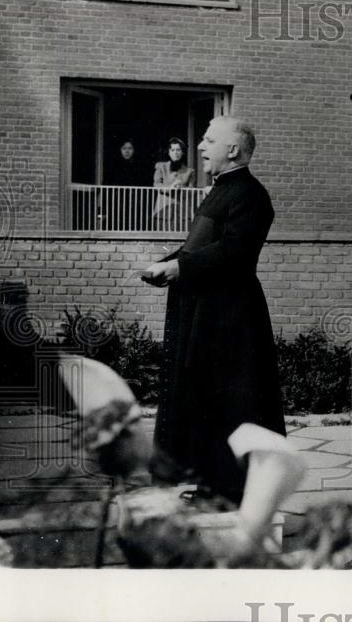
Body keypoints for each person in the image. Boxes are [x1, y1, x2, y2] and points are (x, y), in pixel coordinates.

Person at [141, 117, 285, 505]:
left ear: (233, 150)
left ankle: (234, 493)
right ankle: (211, 485)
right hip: (206, 314)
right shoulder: (221, 191)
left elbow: (234, 253)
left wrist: (178, 268)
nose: (200, 146)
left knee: (232, 403)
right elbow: (200, 247)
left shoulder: (251, 195)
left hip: (231, 319)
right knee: (203, 399)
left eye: (208, 139)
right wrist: (170, 262)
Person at [153, 137, 195, 227]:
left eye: (178, 150)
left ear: (182, 152)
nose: (175, 152)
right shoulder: (161, 167)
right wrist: (169, 188)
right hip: (163, 211)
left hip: (182, 213)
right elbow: (156, 184)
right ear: (169, 152)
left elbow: (191, 189)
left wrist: (181, 188)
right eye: (173, 150)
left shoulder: (189, 171)